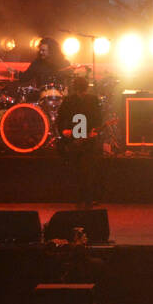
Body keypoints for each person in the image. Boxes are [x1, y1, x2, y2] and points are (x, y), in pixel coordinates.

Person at [55, 76, 103, 209]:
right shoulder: (90, 100)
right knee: (85, 170)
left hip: (80, 138)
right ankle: (85, 199)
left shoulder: (70, 100)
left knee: (82, 169)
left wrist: (64, 132)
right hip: (79, 139)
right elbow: (98, 118)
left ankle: (83, 199)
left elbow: (60, 119)